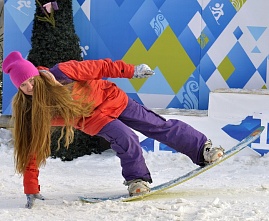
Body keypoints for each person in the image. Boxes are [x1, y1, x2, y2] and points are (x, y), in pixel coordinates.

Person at [2, 51, 224, 209]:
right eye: (23, 86)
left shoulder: (63, 72)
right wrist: (30, 186)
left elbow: (100, 67)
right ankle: (137, 180)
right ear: (19, 89)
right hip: (93, 119)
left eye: (31, 80)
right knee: (126, 137)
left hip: (112, 98)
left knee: (156, 125)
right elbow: (31, 146)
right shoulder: (34, 111)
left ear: (36, 75)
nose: (29, 87)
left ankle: (202, 150)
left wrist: (131, 71)